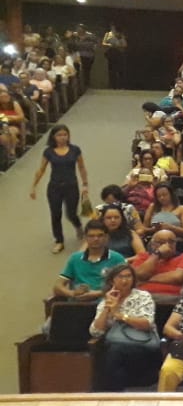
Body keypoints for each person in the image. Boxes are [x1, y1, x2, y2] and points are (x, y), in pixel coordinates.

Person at [88, 264, 161, 391]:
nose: (125, 280)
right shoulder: (107, 300)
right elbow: (96, 332)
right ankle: (111, 396)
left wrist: (119, 315)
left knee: (114, 354)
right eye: (120, 277)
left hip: (143, 346)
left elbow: (146, 323)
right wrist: (107, 307)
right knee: (112, 355)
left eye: (128, 276)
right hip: (116, 348)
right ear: (112, 280)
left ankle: (104, 395)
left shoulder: (143, 296)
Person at [30, 125, 89, 253]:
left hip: (71, 186)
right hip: (54, 187)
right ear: (53, 137)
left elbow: (82, 167)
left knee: (71, 213)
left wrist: (85, 184)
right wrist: (34, 186)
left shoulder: (75, 150)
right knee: (55, 214)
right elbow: (41, 169)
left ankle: (78, 226)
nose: (62, 137)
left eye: (65, 135)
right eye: (59, 135)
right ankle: (59, 241)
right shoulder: (49, 152)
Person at [54, 219, 126, 302]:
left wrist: (98, 293)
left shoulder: (117, 258)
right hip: (77, 305)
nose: (96, 239)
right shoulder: (75, 258)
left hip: (105, 305)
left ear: (107, 237)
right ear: (85, 238)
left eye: (100, 235)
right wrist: (73, 293)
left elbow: (125, 286)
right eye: (91, 236)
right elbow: (58, 286)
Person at [131, 229, 183, 297]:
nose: (166, 246)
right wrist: (157, 254)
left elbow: (177, 277)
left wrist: (148, 279)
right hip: (143, 297)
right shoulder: (143, 256)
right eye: (161, 242)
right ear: (152, 244)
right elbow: (139, 275)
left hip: (171, 299)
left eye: (171, 242)